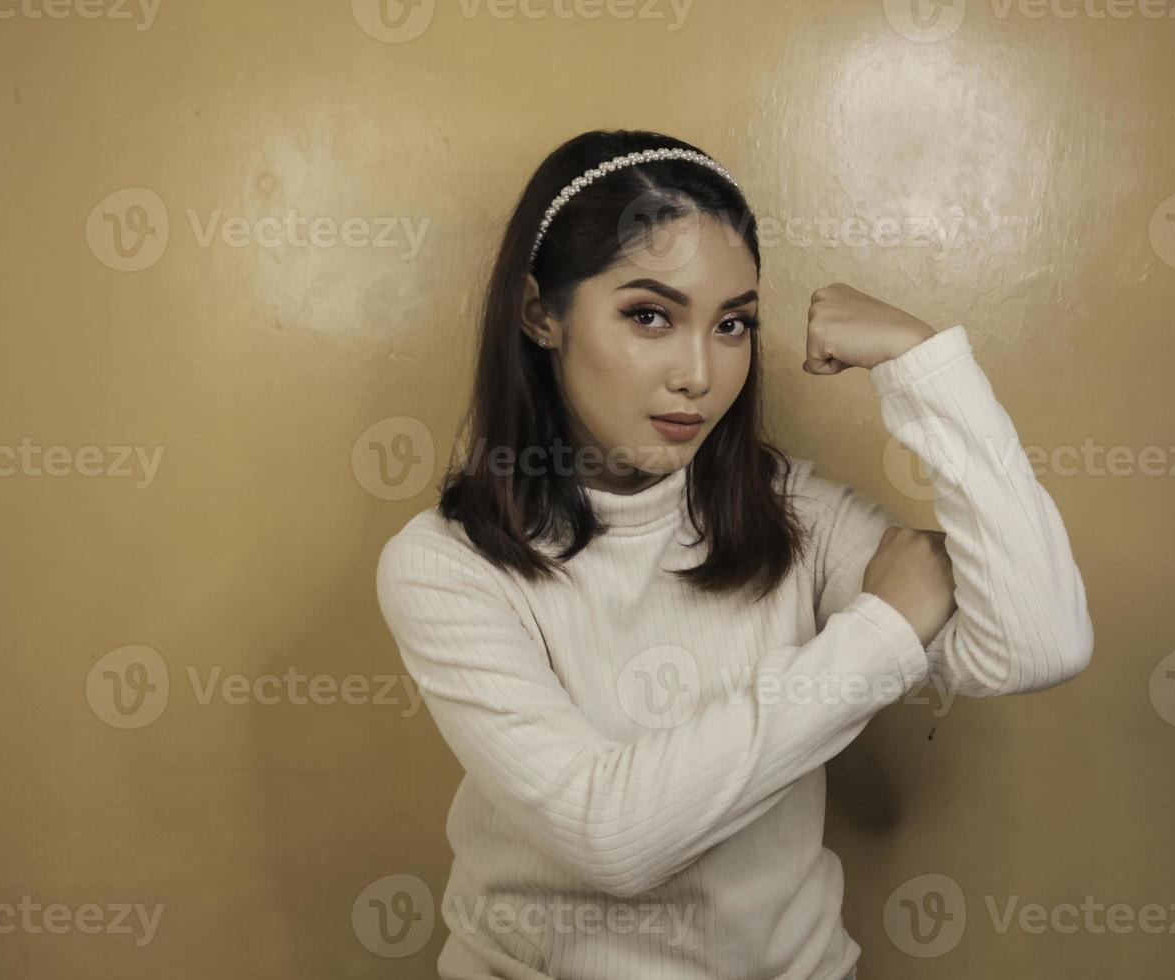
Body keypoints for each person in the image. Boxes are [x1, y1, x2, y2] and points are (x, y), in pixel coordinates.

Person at [375, 129, 1095, 980]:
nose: (699, 373)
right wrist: (878, 635)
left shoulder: (792, 515)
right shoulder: (445, 567)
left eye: (732, 325)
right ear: (541, 313)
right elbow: (611, 837)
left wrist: (928, 368)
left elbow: (1041, 643)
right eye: (649, 315)